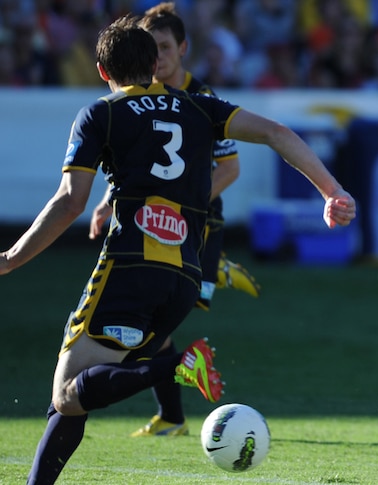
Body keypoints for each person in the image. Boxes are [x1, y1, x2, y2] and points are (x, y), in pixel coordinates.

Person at [5, 15, 354, 485]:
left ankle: (175, 366)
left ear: (102, 71)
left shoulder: (101, 113)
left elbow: (70, 202)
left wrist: (10, 259)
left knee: (69, 394)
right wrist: (332, 191)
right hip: (184, 278)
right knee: (70, 397)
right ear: (155, 64)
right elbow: (277, 133)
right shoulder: (200, 107)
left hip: (129, 266)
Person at [88, 1, 261, 438]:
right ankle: (173, 415)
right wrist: (110, 201)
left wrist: (181, 204)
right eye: (151, 48)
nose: (158, 57)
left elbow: (230, 168)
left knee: (155, 318)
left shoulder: (200, 101)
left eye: (164, 47)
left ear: (183, 49)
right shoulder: (137, 101)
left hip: (195, 224)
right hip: (156, 227)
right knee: (154, 324)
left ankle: (215, 269)